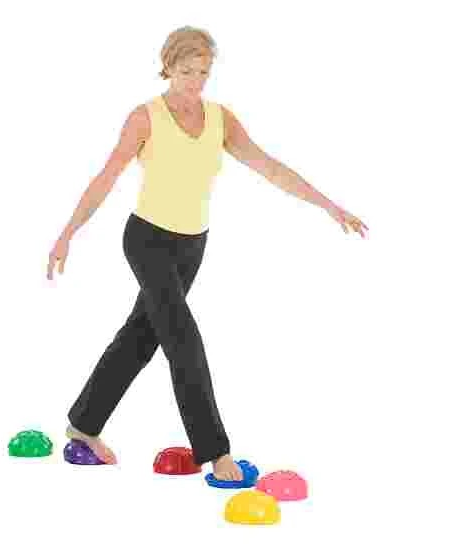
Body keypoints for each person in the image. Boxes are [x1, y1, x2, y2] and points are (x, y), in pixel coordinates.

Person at [46, 26, 369, 481]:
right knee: (183, 340)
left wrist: (329, 206)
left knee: (140, 338)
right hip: (147, 241)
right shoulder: (145, 118)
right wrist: (68, 233)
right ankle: (216, 453)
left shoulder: (220, 119)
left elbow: (270, 167)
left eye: (203, 72)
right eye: (186, 71)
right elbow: (105, 178)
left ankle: (83, 424)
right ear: (167, 67)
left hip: (192, 246)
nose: (195, 81)